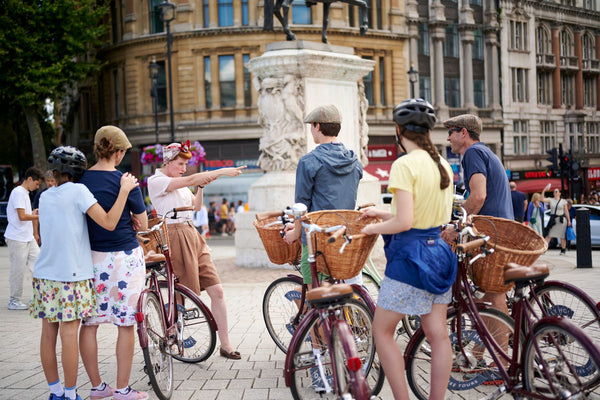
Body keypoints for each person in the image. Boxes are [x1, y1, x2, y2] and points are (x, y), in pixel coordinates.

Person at [359, 99, 456, 400]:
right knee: (438, 334)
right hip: (439, 253)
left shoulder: (404, 164)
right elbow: (422, 219)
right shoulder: (442, 165)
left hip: (411, 259)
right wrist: (382, 214)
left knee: (382, 331)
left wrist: (372, 228)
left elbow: (405, 222)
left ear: (398, 130)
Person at [31, 146, 138, 400]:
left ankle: (55, 392)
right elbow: (109, 223)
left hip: (45, 272)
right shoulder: (79, 191)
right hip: (72, 274)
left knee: (48, 334)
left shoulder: (45, 196)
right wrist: (123, 191)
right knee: (69, 334)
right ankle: (70, 394)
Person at [148, 141, 245, 359]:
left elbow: (196, 206)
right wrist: (222, 171)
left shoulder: (179, 183)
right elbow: (191, 178)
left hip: (192, 234)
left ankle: (226, 344)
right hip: (172, 234)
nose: (184, 167)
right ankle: (172, 338)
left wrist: (200, 188)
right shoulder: (157, 181)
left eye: (186, 163)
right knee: (180, 294)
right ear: (168, 161)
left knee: (217, 290)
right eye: (180, 163)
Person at [78, 126, 149, 400]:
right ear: (119, 152)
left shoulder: (81, 181)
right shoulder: (126, 181)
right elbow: (142, 224)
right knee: (125, 324)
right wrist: (132, 220)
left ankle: (97, 387)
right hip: (124, 259)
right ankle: (122, 389)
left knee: (90, 323)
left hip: (90, 258)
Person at [441, 113, 513, 383]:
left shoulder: (472, 154)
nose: (447, 138)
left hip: (491, 235)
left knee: (494, 296)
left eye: (451, 132)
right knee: (484, 295)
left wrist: (456, 227)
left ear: (464, 132)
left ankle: (501, 365)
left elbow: (479, 195)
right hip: (498, 232)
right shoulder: (486, 153)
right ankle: (478, 355)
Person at [283, 104, 363, 286]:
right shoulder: (353, 161)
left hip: (316, 239)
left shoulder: (309, 161)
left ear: (318, 126)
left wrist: (295, 233)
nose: (311, 130)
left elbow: (301, 206)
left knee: (317, 295)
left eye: (311, 125)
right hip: (343, 236)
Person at [5, 166, 43, 310]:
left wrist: (34, 228)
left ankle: (39, 296)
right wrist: (39, 216)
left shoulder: (24, 193)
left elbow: (25, 214)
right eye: (37, 183)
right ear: (29, 179)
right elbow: (22, 216)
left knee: (40, 264)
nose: (37, 186)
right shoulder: (18, 192)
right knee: (18, 269)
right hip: (17, 237)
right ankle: (14, 300)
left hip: (27, 237)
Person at [541, 184, 570, 255]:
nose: (555, 193)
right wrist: (544, 190)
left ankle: (563, 250)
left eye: (556, 191)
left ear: (559, 193)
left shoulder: (563, 201)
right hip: (553, 219)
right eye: (554, 191)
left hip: (561, 220)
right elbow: (542, 199)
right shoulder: (551, 200)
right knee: (549, 235)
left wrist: (569, 220)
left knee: (562, 236)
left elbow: (566, 211)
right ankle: (544, 249)